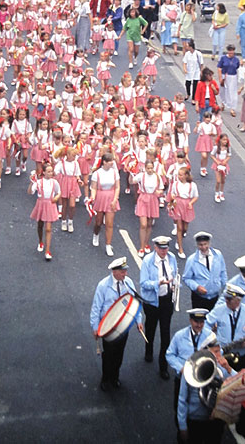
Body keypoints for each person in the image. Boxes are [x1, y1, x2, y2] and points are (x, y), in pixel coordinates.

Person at [90, 257, 143, 391]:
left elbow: (134, 302)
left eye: (125, 271)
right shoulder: (103, 285)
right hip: (108, 326)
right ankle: (106, 378)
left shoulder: (128, 283)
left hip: (124, 325)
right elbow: (96, 307)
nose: (125, 274)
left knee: (119, 353)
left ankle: (115, 377)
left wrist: (139, 321)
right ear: (114, 272)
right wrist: (95, 327)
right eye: (122, 272)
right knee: (108, 354)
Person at [177, 334, 234, 444]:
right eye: (216, 351)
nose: (219, 355)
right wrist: (182, 426)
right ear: (205, 351)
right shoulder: (191, 369)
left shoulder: (222, 368)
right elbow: (182, 399)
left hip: (216, 420)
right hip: (195, 418)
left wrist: (228, 368)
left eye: (219, 351)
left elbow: (239, 383)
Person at [166, 308, 212, 432]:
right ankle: (181, 428)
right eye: (196, 321)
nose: (199, 325)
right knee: (180, 406)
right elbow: (169, 355)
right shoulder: (180, 336)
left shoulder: (210, 336)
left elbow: (218, 354)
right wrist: (181, 369)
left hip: (203, 380)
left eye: (202, 322)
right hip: (182, 379)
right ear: (190, 320)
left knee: (204, 408)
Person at [140, 236, 178, 380]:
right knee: (150, 329)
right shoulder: (148, 261)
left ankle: (163, 366)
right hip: (152, 303)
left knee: (165, 333)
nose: (164, 251)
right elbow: (143, 283)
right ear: (155, 247)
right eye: (161, 248)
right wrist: (158, 283)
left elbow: (174, 275)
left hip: (167, 301)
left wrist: (174, 285)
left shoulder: (172, 258)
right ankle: (148, 351)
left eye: (166, 248)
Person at [206, 283, 245, 370]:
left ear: (238, 300)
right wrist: (211, 340)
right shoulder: (219, 310)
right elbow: (206, 325)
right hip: (223, 355)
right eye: (225, 298)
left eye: (229, 299)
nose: (226, 301)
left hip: (241, 355)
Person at [183, 231, 227, 311]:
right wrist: (197, 287)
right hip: (199, 298)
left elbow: (223, 271)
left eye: (205, 244)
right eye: (200, 245)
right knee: (200, 322)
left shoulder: (218, 255)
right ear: (197, 245)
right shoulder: (192, 260)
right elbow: (186, 278)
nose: (203, 247)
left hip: (215, 297)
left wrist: (224, 288)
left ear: (209, 243)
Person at [28, 163, 61, 261]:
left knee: (48, 228)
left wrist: (56, 197)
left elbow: (59, 192)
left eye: (51, 171)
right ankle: (40, 241)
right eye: (49, 171)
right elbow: (30, 192)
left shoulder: (54, 182)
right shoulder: (39, 182)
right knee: (40, 225)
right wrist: (31, 182)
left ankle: (47, 250)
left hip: (50, 204)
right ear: (44, 172)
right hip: (41, 204)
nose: (51, 173)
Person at [131, 160, 164, 257]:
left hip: (153, 200)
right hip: (143, 199)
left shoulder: (157, 177)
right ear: (145, 168)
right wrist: (132, 170)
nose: (150, 170)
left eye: (151, 168)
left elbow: (161, 188)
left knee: (149, 224)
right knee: (143, 224)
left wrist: (159, 192)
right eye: (148, 168)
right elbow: (132, 180)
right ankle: (141, 247)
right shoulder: (141, 175)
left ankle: (146, 243)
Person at [90, 152, 120, 257]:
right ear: (104, 162)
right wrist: (93, 197)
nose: (112, 163)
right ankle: (96, 234)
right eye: (110, 161)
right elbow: (93, 187)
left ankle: (108, 245)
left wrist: (115, 199)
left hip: (111, 197)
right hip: (100, 197)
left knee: (109, 223)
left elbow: (117, 187)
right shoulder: (97, 173)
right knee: (98, 222)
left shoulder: (115, 173)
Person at [218, 44, 240, 118]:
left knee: (232, 92)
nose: (231, 53)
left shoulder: (236, 59)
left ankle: (232, 108)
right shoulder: (223, 58)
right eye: (230, 51)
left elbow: (237, 67)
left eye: (232, 51)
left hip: (233, 77)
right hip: (225, 76)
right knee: (223, 91)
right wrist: (220, 77)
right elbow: (219, 68)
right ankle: (223, 103)